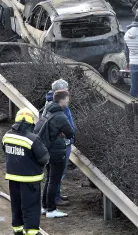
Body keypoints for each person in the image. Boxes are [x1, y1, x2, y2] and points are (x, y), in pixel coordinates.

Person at [3, 108, 49, 235]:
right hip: (30, 179)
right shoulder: (32, 139)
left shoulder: (7, 136)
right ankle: (31, 232)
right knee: (31, 206)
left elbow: (6, 151)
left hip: (13, 177)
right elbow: (44, 158)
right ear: (30, 123)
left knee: (16, 205)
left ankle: (17, 229)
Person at [34, 90, 74, 218]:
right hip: (56, 152)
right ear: (61, 100)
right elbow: (70, 132)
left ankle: (45, 207)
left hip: (46, 150)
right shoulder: (60, 116)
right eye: (67, 99)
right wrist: (62, 134)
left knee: (49, 180)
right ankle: (51, 209)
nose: (68, 101)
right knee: (54, 181)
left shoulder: (47, 110)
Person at [42, 79, 75, 207]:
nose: (68, 91)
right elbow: (64, 125)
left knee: (55, 175)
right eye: (66, 89)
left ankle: (56, 195)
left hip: (59, 143)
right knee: (57, 174)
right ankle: (54, 198)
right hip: (60, 144)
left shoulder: (50, 103)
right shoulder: (57, 106)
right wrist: (69, 136)